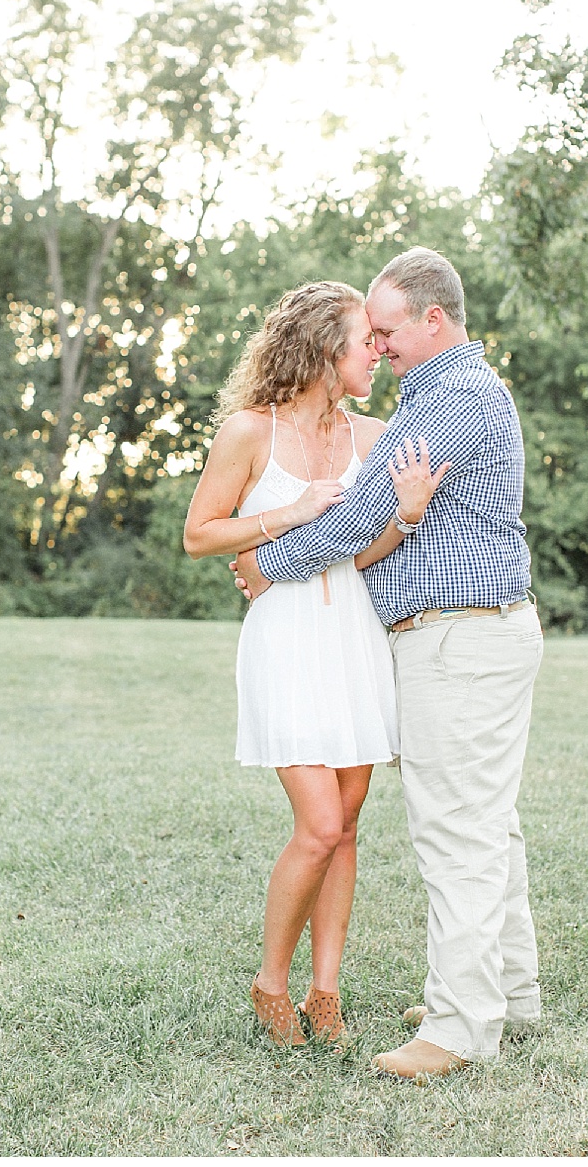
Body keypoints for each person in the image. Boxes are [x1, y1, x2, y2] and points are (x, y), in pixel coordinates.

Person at [232, 247, 542, 1081]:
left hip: (459, 637)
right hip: (475, 631)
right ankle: (507, 989)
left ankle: (461, 1024)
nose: (379, 342)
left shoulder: (452, 400)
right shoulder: (450, 393)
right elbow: (384, 523)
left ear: (432, 320)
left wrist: (271, 562)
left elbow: (357, 516)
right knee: (489, 823)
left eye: (388, 327)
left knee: (458, 832)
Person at [183, 280, 448, 1047]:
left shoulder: (373, 437)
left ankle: (325, 990)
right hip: (286, 639)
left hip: (354, 635)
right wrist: (289, 515)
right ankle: (271, 982)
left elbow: (363, 548)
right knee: (319, 821)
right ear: (325, 352)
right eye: (365, 339)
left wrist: (406, 514)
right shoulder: (248, 432)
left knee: (350, 822)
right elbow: (201, 534)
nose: (377, 351)